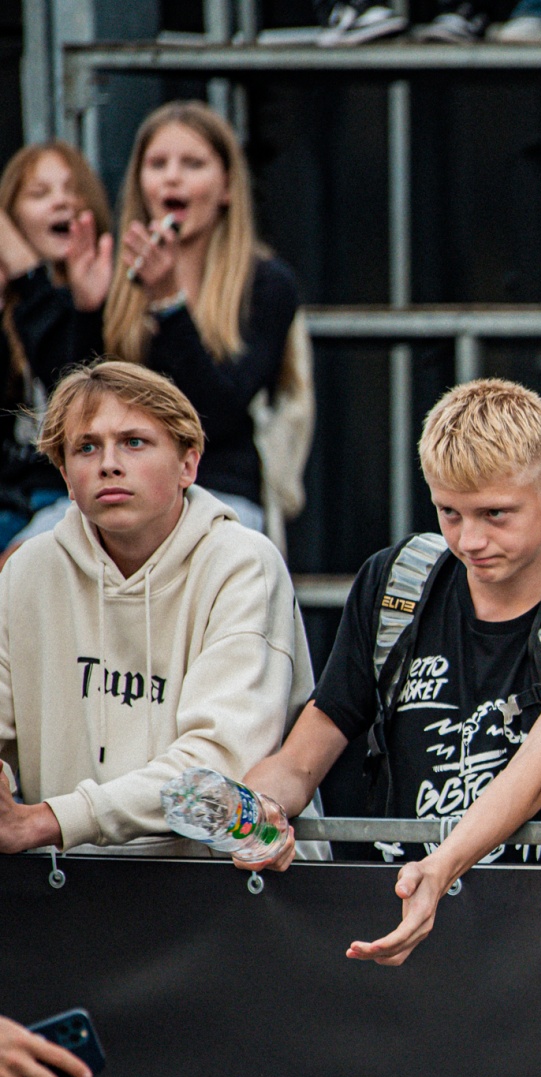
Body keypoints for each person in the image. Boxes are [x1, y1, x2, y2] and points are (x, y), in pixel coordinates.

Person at [232, 379, 541, 967]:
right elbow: (306, 754)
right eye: (449, 513)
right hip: (399, 934)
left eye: (495, 514)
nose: (470, 539)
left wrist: (440, 868)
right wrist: (260, 807)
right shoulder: (394, 582)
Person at [0, 361, 311, 857]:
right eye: (86, 447)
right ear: (65, 477)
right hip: (69, 883)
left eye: (134, 442)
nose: (108, 464)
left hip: (224, 886)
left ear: (189, 465)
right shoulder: (27, 571)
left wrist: (49, 821)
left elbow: (213, 771)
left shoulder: (243, 563)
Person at [40, 101, 300, 541]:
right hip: (111, 487)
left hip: (215, 487)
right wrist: (87, 308)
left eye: (193, 164)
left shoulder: (267, 284)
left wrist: (169, 305)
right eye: (158, 164)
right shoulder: (113, 271)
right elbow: (72, 412)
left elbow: (216, 415)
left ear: (227, 187)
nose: (172, 177)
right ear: (140, 183)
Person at [0, 142, 110, 556]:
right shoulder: (13, 309)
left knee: (21, 562)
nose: (61, 201)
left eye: (72, 189)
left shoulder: (108, 296)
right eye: (40, 193)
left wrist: (85, 309)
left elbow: (74, 390)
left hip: (71, 495)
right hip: (10, 497)